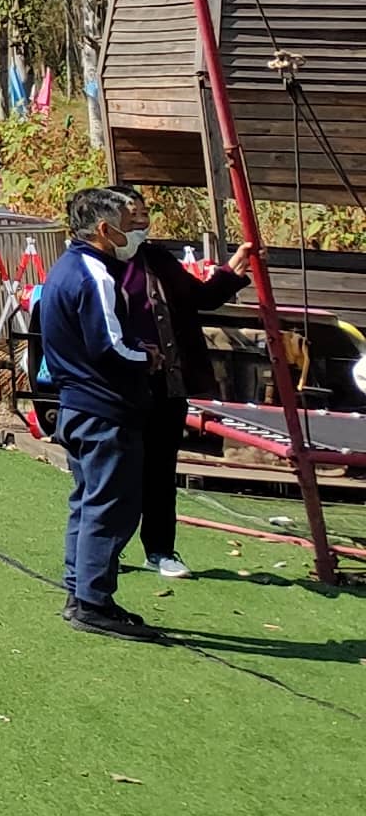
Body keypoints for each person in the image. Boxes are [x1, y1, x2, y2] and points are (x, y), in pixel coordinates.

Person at [36, 187, 167, 640]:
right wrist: (147, 356)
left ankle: (83, 593)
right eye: (131, 224)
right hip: (102, 407)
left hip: (78, 405)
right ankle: (92, 601)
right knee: (111, 506)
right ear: (106, 230)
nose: (138, 232)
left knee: (89, 502)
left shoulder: (66, 267)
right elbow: (109, 346)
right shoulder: (95, 274)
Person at [126, 226, 248, 584]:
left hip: (167, 384)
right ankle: (101, 551)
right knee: (113, 472)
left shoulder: (157, 258)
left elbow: (199, 297)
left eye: (143, 216)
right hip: (118, 387)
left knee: (161, 472)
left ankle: (160, 550)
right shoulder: (92, 266)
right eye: (132, 216)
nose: (140, 225)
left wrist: (231, 271)